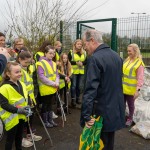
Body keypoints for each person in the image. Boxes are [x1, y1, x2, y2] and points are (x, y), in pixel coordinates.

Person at [81, 29, 125, 150]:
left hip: (100, 112)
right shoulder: (116, 56)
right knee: (109, 143)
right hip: (113, 110)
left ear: (92, 41)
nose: (85, 48)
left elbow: (90, 89)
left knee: (98, 144)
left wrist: (86, 115)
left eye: (85, 44)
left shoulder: (94, 59)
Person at [0, 62, 30, 150]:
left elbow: (24, 98)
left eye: (20, 71)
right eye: (16, 72)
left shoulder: (22, 84)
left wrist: (28, 108)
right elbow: (4, 104)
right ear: (8, 74)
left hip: (21, 116)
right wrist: (18, 110)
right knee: (10, 140)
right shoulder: (3, 88)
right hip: (11, 119)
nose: (20, 74)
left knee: (19, 138)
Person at [17, 49, 42, 148]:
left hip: (31, 97)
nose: (27, 64)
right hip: (22, 99)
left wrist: (33, 95)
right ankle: (21, 139)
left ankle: (29, 135)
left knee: (30, 117)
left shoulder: (29, 68)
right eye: (25, 62)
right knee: (23, 119)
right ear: (19, 59)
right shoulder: (18, 70)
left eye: (29, 62)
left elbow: (31, 83)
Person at [37, 45, 59, 128]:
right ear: (45, 53)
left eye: (53, 53)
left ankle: (50, 120)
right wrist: (53, 83)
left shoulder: (53, 63)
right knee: (45, 105)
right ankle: (45, 121)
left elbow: (56, 74)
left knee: (50, 105)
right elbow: (41, 77)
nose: (52, 55)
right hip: (45, 88)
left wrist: (56, 82)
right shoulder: (40, 63)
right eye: (50, 53)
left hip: (52, 88)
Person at [123, 43, 144, 127]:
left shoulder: (139, 63)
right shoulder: (127, 59)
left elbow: (140, 78)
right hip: (123, 87)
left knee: (131, 105)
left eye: (130, 51)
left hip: (131, 89)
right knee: (122, 104)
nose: (128, 53)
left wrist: (137, 90)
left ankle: (130, 118)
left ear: (135, 51)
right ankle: (122, 117)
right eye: (127, 51)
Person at [68, 39, 87, 107]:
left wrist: (82, 63)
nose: (79, 45)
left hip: (81, 72)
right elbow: (68, 61)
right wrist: (76, 63)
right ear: (75, 45)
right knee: (73, 86)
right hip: (73, 72)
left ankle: (78, 98)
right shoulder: (71, 52)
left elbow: (86, 61)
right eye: (78, 44)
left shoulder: (84, 52)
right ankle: (73, 99)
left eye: (80, 44)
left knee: (80, 86)